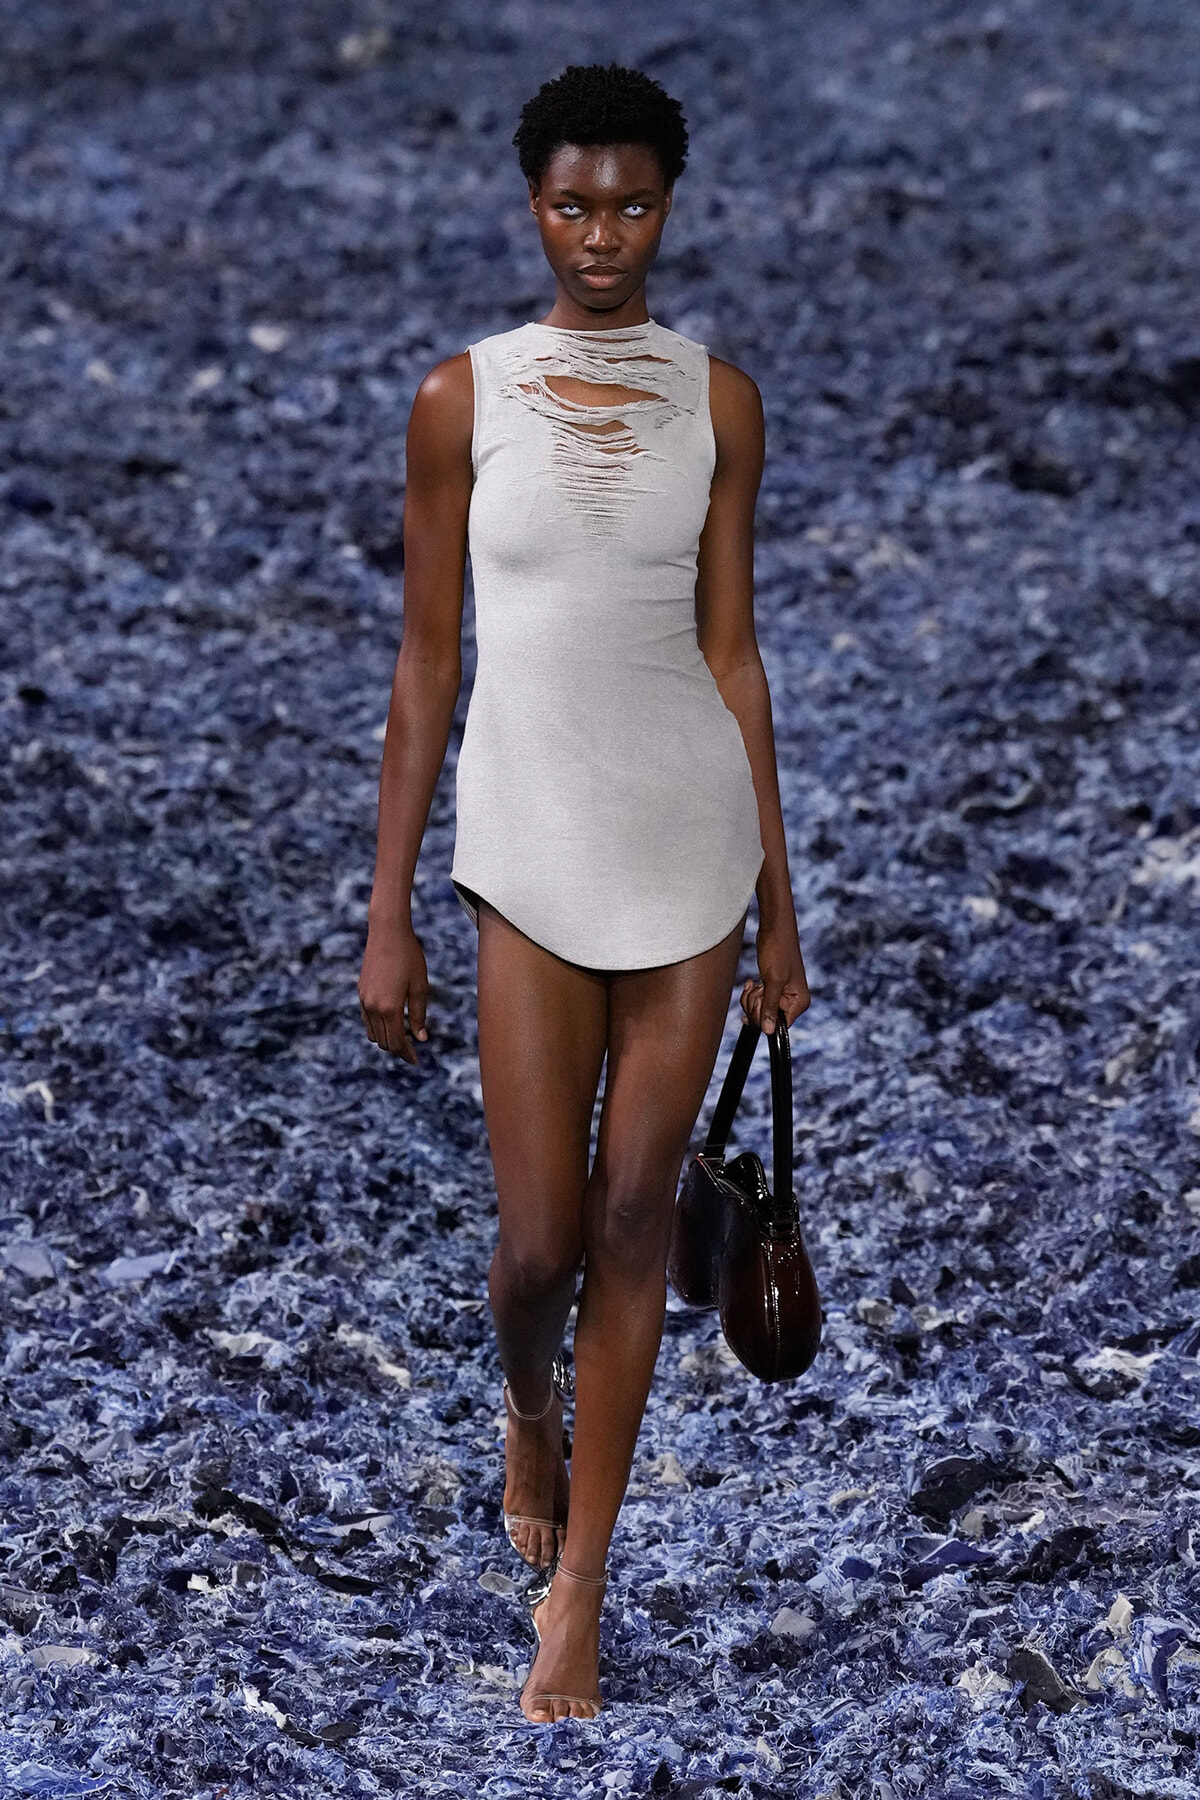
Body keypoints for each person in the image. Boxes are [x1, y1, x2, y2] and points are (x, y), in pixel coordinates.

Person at [357, 61, 811, 1725]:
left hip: (688, 835)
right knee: (539, 1241)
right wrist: (389, 907)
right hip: (528, 840)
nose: (602, 234)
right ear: (531, 208)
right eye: (573, 205)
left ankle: (580, 1597)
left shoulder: (722, 403)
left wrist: (781, 902)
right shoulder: (458, 400)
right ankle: (528, 1408)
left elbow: (733, 653)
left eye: (630, 205)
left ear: (668, 209)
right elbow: (426, 663)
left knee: (632, 1221)